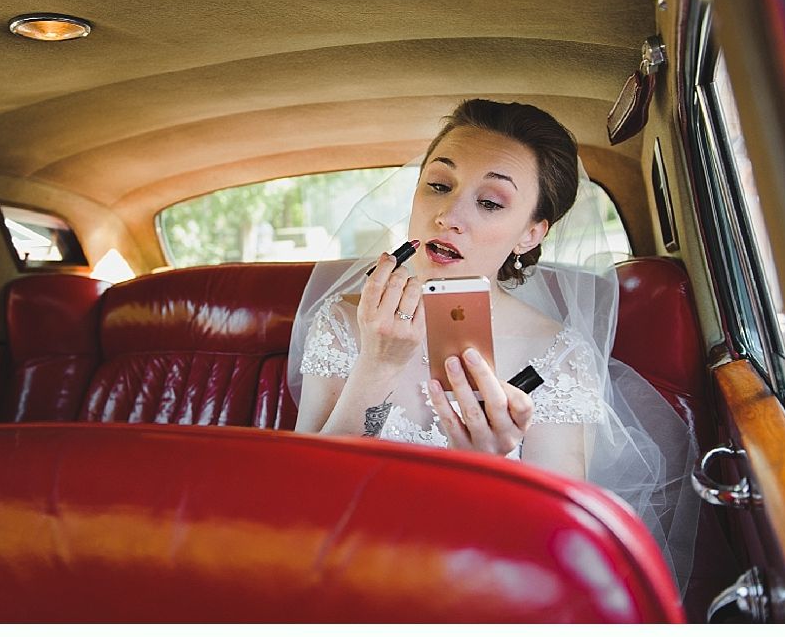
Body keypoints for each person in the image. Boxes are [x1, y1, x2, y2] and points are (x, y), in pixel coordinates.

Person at [286, 99, 699, 595]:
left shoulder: (558, 360)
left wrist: (490, 467)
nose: (448, 215)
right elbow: (304, 501)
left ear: (530, 233)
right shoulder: (342, 322)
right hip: (338, 579)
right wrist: (376, 365)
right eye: (439, 185)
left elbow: (552, 550)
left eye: (490, 202)